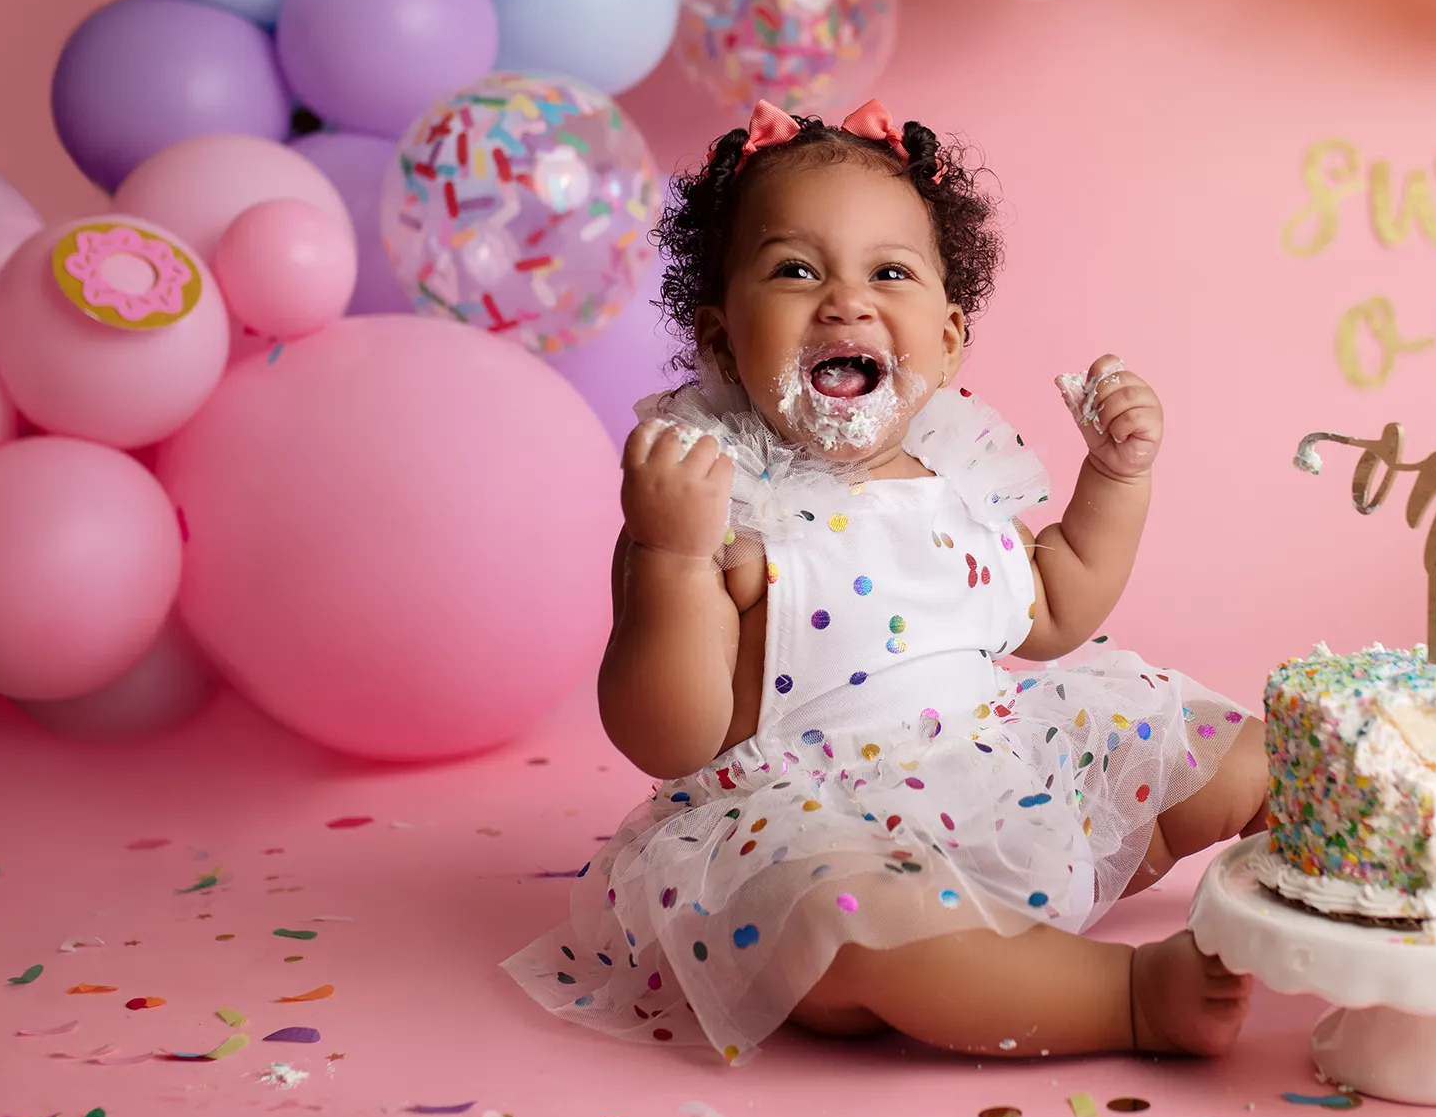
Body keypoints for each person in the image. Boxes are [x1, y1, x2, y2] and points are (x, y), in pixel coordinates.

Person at [506, 100, 1267, 1063]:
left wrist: (1114, 479)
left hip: (1014, 787)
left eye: (889, 273)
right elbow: (667, 735)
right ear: (719, 336)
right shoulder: (712, 501)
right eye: (794, 270)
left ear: (948, 340)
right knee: (843, 922)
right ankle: (1128, 997)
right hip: (820, 829)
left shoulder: (959, 475)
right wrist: (669, 560)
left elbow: (1058, 605)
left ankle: (1374, 846)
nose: (846, 301)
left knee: (1230, 752)